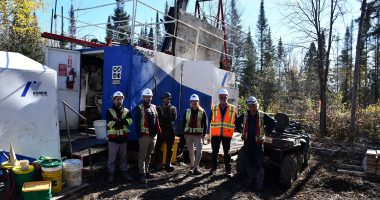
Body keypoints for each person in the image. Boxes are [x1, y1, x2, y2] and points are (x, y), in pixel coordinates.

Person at [235, 96, 276, 191]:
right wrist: (241, 130)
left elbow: (273, 122)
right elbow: (236, 122)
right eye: (250, 105)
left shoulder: (262, 115)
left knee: (259, 163)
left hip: (258, 143)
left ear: (256, 105)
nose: (251, 107)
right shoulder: (245, 115)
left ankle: (259, 185)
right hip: (247, 142)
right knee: (249, 162)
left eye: (253, 105)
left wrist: (266, 132)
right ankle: (250, 181)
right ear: (248, 106)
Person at [208, 88, 237, 178]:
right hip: (216, 134)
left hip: (226, 135)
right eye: (221, 97)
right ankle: (213, 169)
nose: (223, 99)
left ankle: (228, 171)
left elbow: (237, 121)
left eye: (225, 97)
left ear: (227, 97)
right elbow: (210, 120)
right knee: (214, 152)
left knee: (227, 153)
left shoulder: (233, 109)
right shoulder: (214, 108)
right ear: (219, 97)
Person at [135, 88, 162, 183]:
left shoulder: (154, 107)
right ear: (143, 97)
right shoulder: (139, 108)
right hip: (144, 136)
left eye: (150, 97)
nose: (148, 98)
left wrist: (158, 132)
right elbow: (137, 123)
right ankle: (141, 174)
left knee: (149, 155)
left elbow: (156, 121)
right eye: (146, 97)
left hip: (153, 136)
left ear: (152, 97)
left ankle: (146, 171)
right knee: (142, 155)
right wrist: (140, 135)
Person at [106, 91, 133, 182]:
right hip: (113, 140)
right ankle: (110, 174)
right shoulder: (109, 111)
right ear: (114, 100)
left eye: (121, 99)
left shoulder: (127, 111)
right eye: (117, 99)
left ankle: (124, 172)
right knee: (111, 159)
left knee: (123, 158)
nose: (119, 101)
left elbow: (129, 122)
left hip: (123, 139)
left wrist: (118, 121)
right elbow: (110, 124)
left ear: (123, 100)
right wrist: (122, 121)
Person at [182, 94, 208, 175]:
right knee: (191, 152)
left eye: (196, 102)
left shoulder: (202, 111)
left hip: (198, 135)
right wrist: (184, 134)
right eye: (193, 102)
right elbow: (183, 123)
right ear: (190, 102)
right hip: (188, 135)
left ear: (198, 102)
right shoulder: (187, 111)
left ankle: (196, 167)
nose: (194, 103)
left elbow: (206, 124)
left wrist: (204, 135)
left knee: (199, 151)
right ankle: (192, 167)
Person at [154, 92, 177, 172]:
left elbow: (173, 118)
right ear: (163, 99)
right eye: (165, 98)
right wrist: (166, 118)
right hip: (161, 131)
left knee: (170, 148)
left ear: (170, 100)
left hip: (170, 131)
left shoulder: (173, 108)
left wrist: (163, 118)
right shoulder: (158, 108)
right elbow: (158, 119)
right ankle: (159, 164)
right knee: (157, 147)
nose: (167, 100)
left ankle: (168, 164)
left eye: (168, 99)